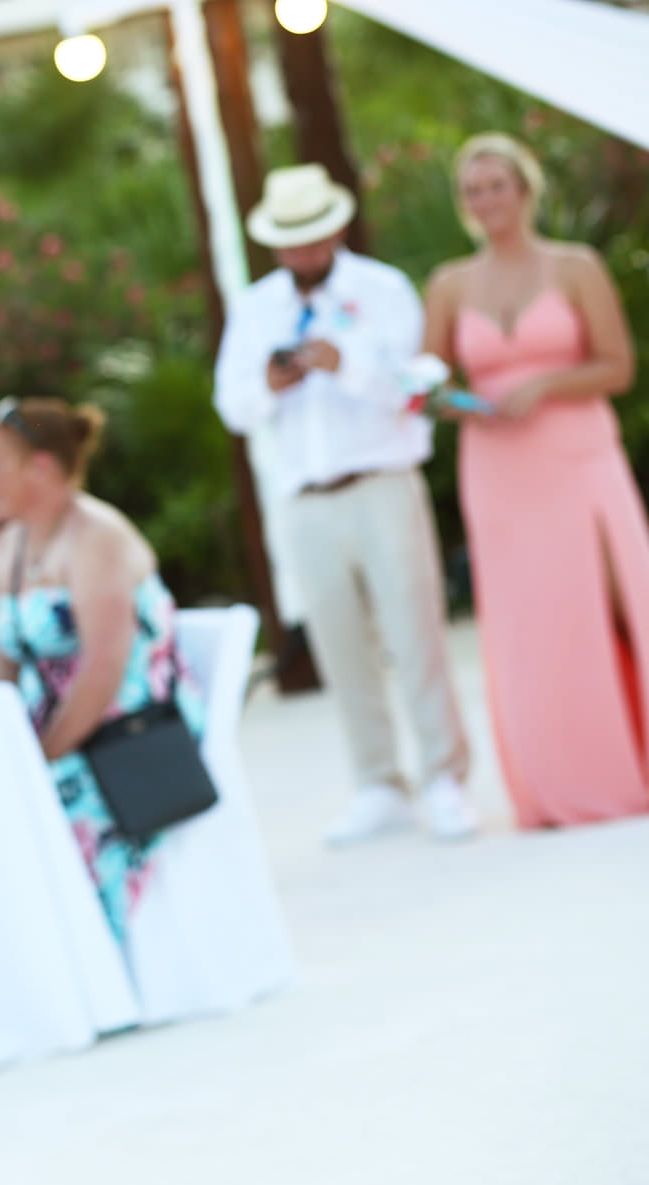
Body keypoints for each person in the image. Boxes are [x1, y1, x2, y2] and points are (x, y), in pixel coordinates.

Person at [215, 163, 474, 846]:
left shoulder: (381, 290)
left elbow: (417, 386)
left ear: (333, 230)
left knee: (414, 631)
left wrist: (346, 364)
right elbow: (233, 405)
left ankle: (445, 777)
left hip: (381, 483)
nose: (302, 251)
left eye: (312, 236)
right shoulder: (256, 307)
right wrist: (273, 382)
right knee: (339, 643)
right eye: (289, 240)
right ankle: (378, 783)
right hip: (305, 496)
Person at [424, 132, 649, 828]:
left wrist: (547, 385)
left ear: (525, 189)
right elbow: (427, 385)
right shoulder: (450, 283)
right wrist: (464, 405)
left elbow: (618, 366)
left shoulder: (574, 266)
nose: (486, 199)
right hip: (498, 471)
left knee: (615, 601)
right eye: (472, 190)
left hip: (579, 453)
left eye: (497, 184)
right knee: (533, 621)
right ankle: (558, 779)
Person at [0, 398, 198, 944]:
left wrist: (45, 755)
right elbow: (2, 667)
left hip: (127, 732)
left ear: (42, 467)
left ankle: (100, 962)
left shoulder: (98, 537)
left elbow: (104, 669)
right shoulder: (9, 545)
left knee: (49, 803)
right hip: (56, 733)